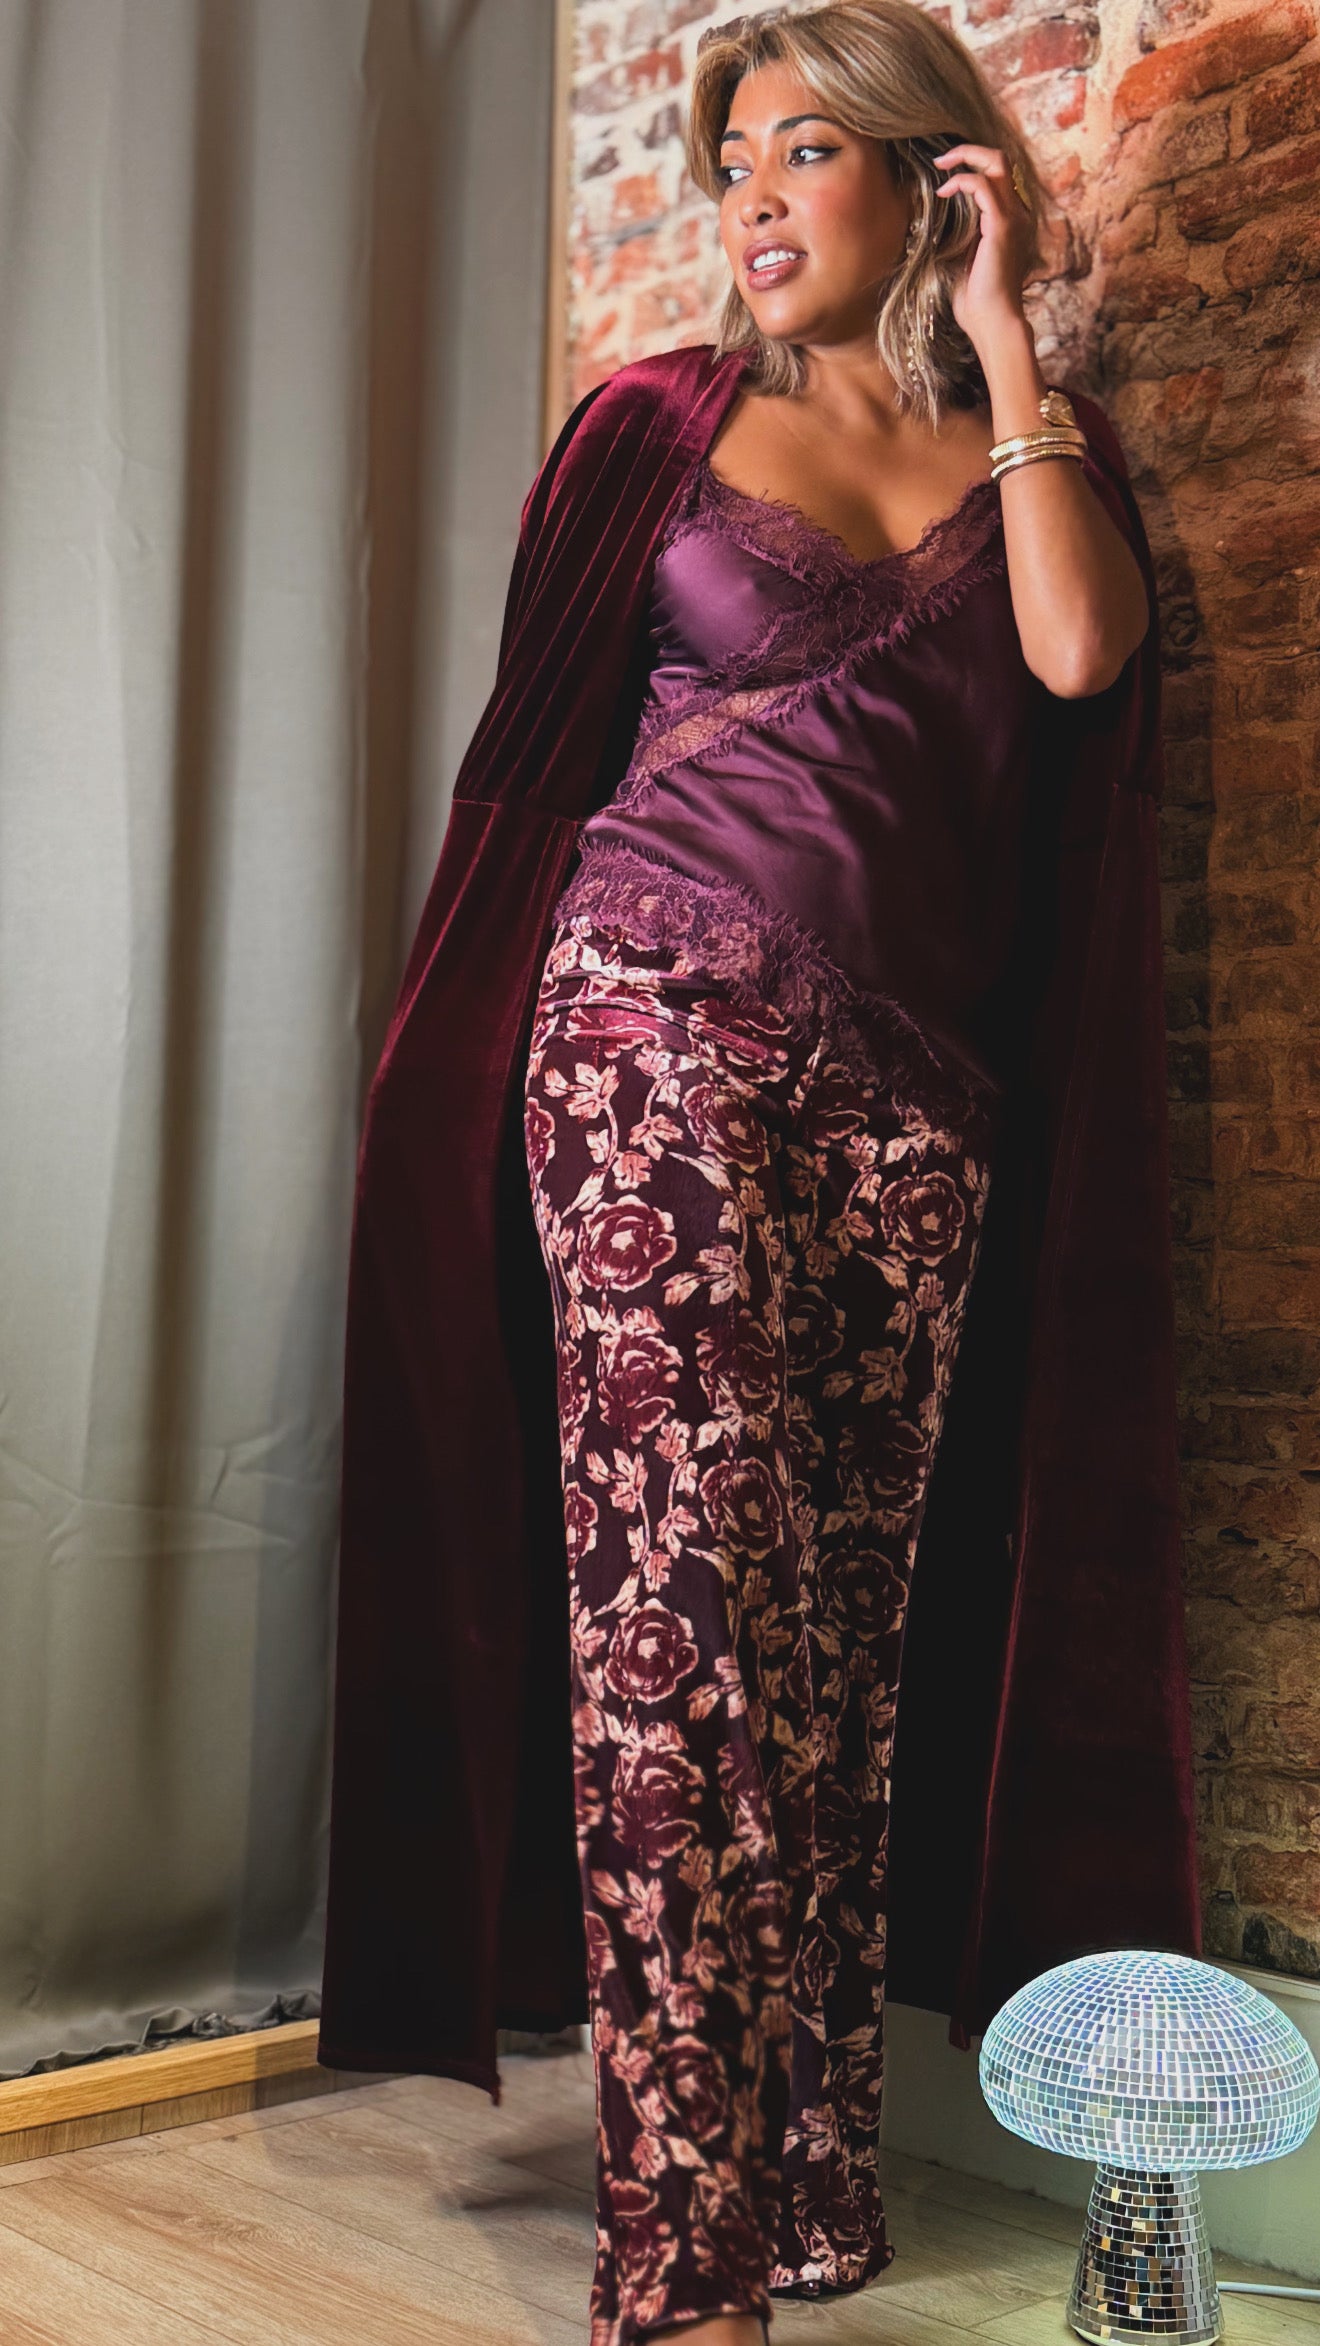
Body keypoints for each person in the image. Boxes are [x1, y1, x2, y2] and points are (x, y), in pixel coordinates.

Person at [317, 6, 1202, 2345]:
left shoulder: (1040, 451)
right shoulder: (657, 427)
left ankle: (807, 2175)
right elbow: (527, 777)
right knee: (684, 1629)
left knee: (830, 1662)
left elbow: (1081, 656)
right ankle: (682, 2248)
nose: (755, 194)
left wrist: (1005, 343)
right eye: (731, 159)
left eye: (809, 148)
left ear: (933, 175)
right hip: (649, 1033)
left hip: (918, 1110)